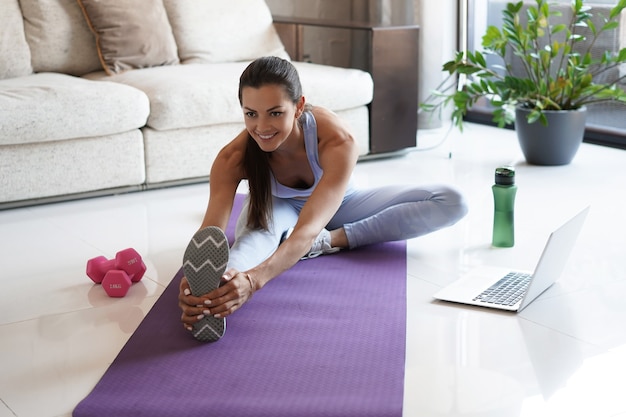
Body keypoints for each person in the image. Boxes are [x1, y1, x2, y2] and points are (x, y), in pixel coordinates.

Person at [179, 56, 468, 341]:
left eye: (275, 112)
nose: (262, 127)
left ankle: (332, 240)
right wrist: (198, 282)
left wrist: (254, 281)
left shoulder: (337, 139)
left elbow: (307, 228)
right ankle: (211, 296)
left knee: (452, 201)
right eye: (251, 113)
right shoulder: (231, 158)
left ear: (299, 106)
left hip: (339, 206)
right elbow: (211, 236)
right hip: (274, 208)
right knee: (249, 248)